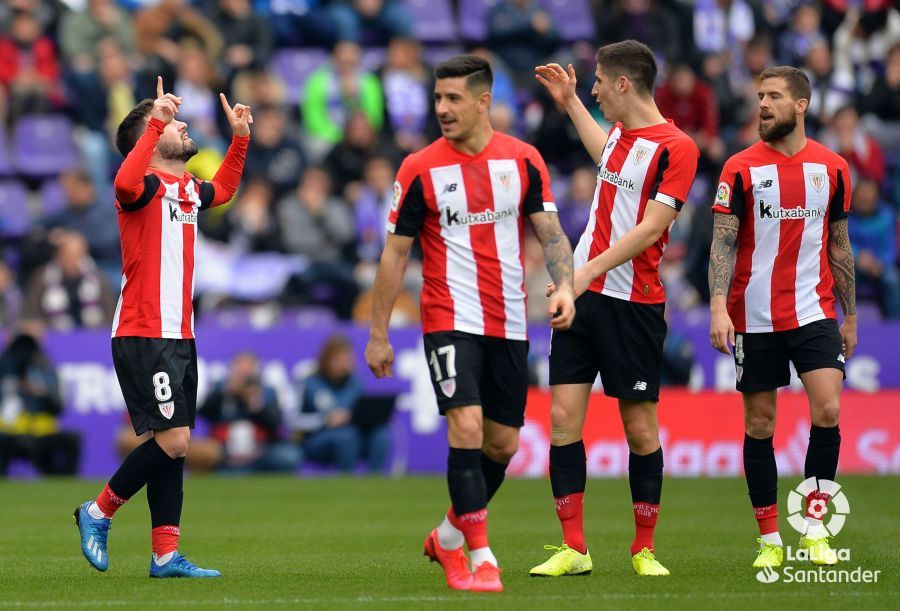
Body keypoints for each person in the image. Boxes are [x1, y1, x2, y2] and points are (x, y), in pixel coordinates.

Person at [364, 55, 575, 593]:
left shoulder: (523, 160)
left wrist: (568, 285)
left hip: (508, 319)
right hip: (448, 315)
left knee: (502, 445)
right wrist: (379, 332)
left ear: (484, 101)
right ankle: (481, 557)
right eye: (438, 98)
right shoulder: (418, 167)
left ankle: (449, 535)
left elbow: (550, 233)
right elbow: (394, 256)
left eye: (453, 98)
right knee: (467, 428)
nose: (442, 109)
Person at [530, 40, 700, 578]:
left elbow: (651, 228)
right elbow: (606, 156)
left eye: (599, 81)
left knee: (640, 429)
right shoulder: (622, 139)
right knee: (562, 420)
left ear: (625, 83)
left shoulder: (678, 147)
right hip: (584, 301)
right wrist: (570, 102)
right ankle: (574, 548)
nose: (595, 88)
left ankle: (643, 548)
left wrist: (577, 276)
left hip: (633, 303)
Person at [73, 76, 251, 578]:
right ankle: (98, 511)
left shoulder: (188, 188)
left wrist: (239, 139)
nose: (183, 124)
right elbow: (124, 183)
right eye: (173, 124)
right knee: (172, 442)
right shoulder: (143, 186)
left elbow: (227, 190)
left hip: (179, 332)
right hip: (143, 328)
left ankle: (166, 555)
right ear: (149, 141)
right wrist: (155, 120)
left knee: (174, 445)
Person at [708, 66, 856, 570]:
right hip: (753, 314)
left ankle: (815, 529)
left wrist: (851, 314)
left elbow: (839, 244)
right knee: (760, 422)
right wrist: (716, 307)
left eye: (773, 96)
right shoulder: (739, 168)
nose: (763, 104)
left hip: (814, 310)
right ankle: (770, 538)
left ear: (801, 105)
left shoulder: (833, 168)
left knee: (828, 411)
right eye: (759, 96)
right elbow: (722, 242)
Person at [201, 352, 301, 473]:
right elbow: (204, 412)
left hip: (261, 449)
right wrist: (224, 392)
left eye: (248, 370)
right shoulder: (220, 389)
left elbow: (275, 422)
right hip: (226, 450)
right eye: (239, 369)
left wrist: (254, 403)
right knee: (206, 453)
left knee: (288, 455)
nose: (244, 375)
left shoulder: (268, 392)